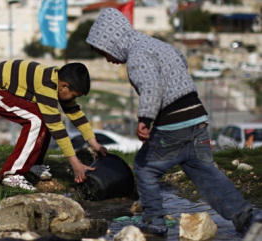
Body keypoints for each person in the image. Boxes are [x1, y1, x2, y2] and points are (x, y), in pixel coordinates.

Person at [86, 7, 262, 236]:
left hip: (174, 122)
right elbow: (181, 60)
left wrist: (145, 118)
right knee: (206, 172)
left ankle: (154, 221)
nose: (108, 60)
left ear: (113, 42)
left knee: (145, 166)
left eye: (105, 53)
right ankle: (246, 216)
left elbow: (152, 87)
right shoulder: (158, 44)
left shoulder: (137, 55)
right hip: (197, 117)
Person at [0, 60, 107, 191]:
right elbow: (56, 126)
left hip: (5, 89)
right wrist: (75, 163)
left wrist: (94, 143)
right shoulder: (47, 85)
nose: (73, 99)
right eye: (73, 96)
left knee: (42, 118)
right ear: (64, 86)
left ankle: (34, 163)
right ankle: (12, 174)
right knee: (36, 120)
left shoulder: (58, 81)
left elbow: (75, 114)